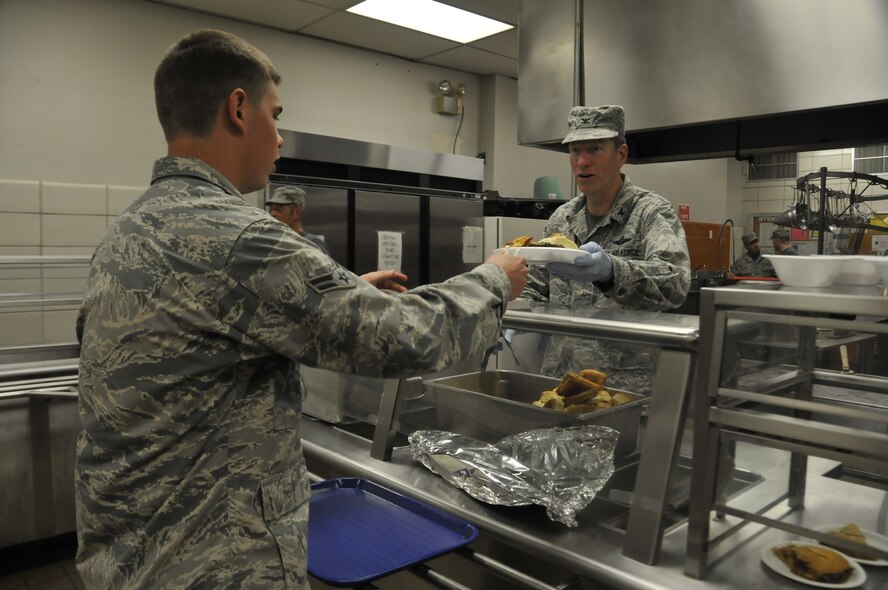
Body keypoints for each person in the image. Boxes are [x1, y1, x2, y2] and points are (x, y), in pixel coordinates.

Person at [74, 29, 528, 590]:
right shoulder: (239, 237)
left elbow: (204, 331)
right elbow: (409, 336)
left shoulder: (129, 230)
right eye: (276, 115)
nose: (281, 138)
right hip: (213, 560)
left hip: (127, 553)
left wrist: (341, 291)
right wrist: (494, 278)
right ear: (239, 109)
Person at [519, 105, 691, 393]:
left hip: (621, 389)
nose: (582, 162)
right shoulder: (561, 218)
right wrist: (505, 306)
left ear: (621, 155)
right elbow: (536, 287)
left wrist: (612, 271)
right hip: (560, 382)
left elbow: (675, 282)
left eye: (595, 150)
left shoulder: (651, 211)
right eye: (575, 151)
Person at [266, 185, 331, 255]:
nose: (273, 213)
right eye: (272, 209)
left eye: (278, 209)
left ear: (296, 213)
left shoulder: (311, 244)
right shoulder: (271, 241)